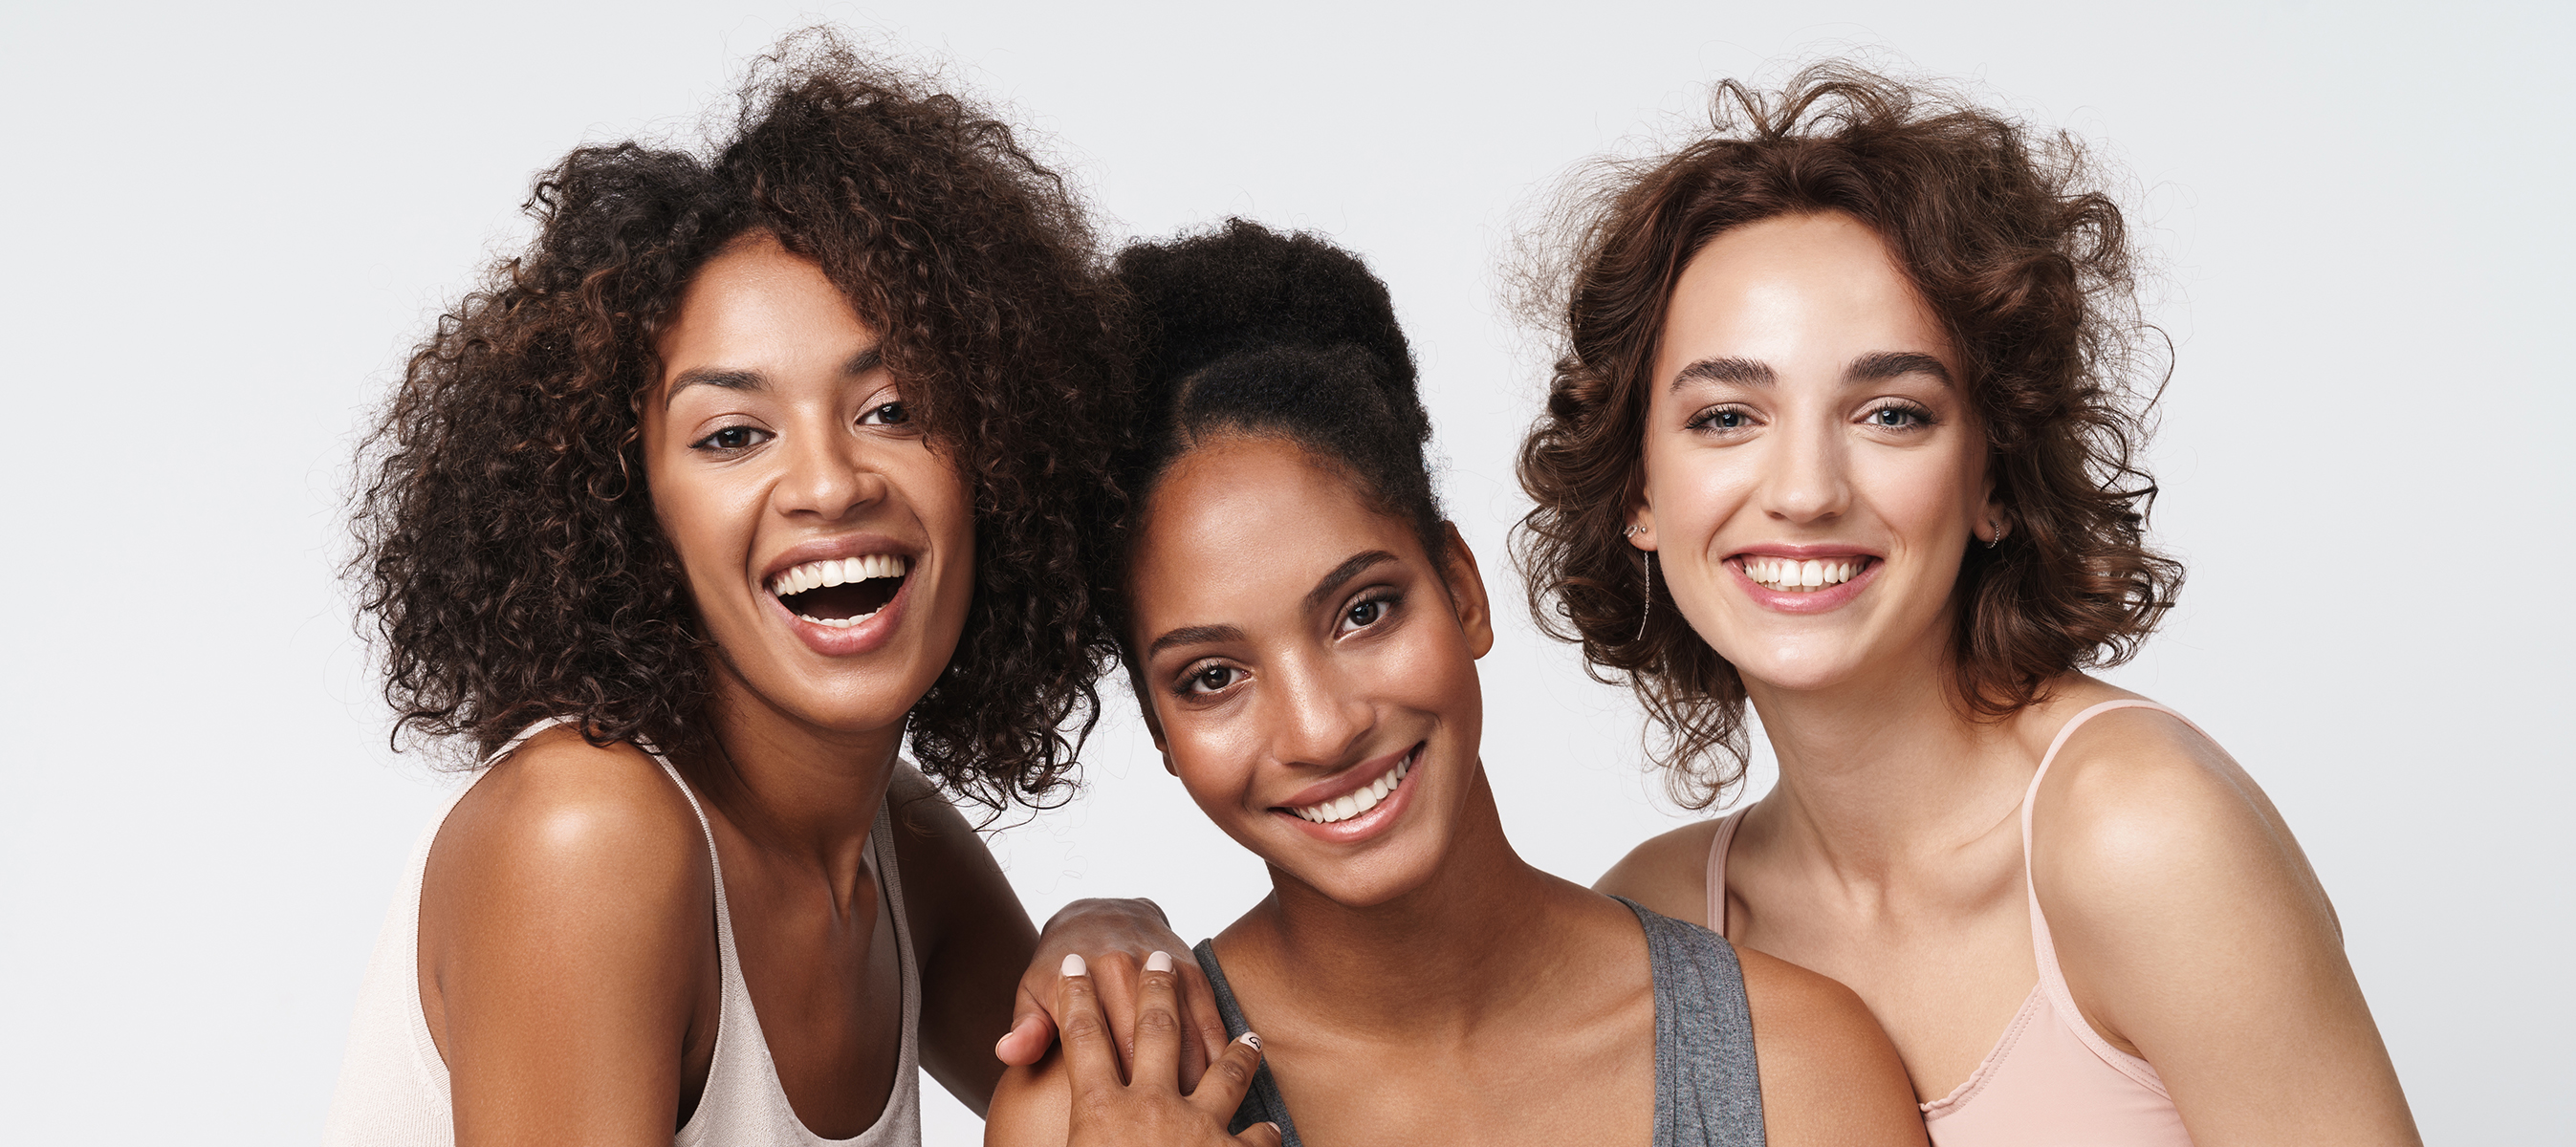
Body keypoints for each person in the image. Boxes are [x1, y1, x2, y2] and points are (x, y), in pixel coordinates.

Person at [325, 33, 1216, 1146]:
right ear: (627, 505)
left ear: (997, 452)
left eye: (892, 408)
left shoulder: (899, 850)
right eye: (734, 434)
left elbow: (1104, 1104)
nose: (832, 483)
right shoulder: (586, 836)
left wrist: (1101, 928)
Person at [1515, 67, 2421, 1145]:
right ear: (1638, 492)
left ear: (1994, 478)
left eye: (1892, 412)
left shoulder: (2137, 833)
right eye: (1725, 418)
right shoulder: (1668, 929)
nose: (1805, 489)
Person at [985, 221, 1926, 1147]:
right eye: (1213, 676)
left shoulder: (1792, 1067)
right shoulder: (1088, 1121)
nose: (1320, 728)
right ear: (1159, 732)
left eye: (1363, 612)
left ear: (1462, 588)